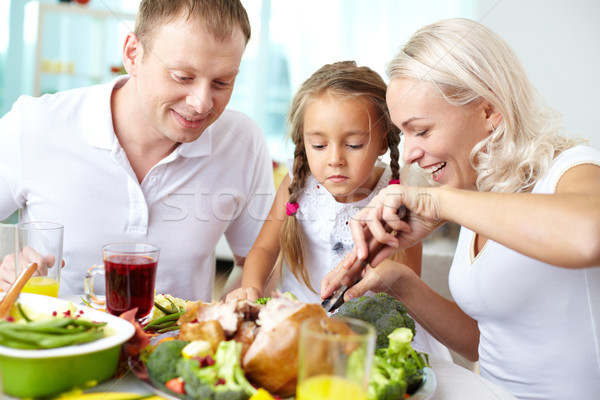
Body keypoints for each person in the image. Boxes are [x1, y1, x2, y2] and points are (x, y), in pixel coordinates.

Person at [321, 18, 600, 400]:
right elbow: (479, 344)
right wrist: (398, 282)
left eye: (422, 130)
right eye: (405, 134)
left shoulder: (570, 168)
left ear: (488, 111)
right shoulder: (479, 186)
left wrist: (439, 203)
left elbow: (588, 236)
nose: (412, 153)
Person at [0, 0, 275, 301]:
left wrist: (225, 316)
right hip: (53, 343)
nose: (202, 103)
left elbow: (260, 261)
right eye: (182, 77)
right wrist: (4, 267)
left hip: (179, 347)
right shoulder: (33, 124)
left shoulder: (242, 141)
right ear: (133, 53)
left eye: (222, 82)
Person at [224, 61, 452, 360]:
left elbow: (404, 282)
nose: (335, 159)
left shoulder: (398, 195)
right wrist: (251, 287)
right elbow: (264, 249)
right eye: (318, 145)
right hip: (297, 325)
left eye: (354, 145)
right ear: (302, 142)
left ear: (384, 140)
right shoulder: (299, 181)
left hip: (367, 337)